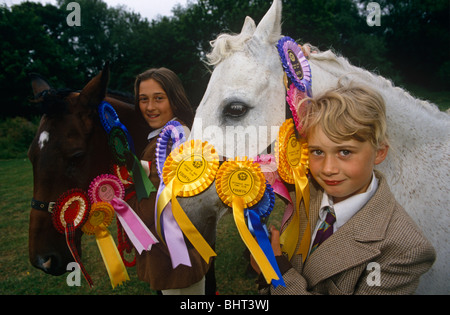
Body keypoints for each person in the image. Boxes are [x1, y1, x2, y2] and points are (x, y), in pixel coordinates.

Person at [256, 83, 436, 294]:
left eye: (345, 152)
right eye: (317, 152)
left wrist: (278, 273)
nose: (328, 169)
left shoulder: (404, 249)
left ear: (379, 152)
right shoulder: (303, 188)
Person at [127, 67, 211, 295]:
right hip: (170, 255)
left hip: (176, 256)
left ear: (174, 99)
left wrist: (123, 202)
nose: (150, 107)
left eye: (158, 98)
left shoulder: (176, 139)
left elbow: (157, 206)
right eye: (143, 99)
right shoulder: (162, 137)